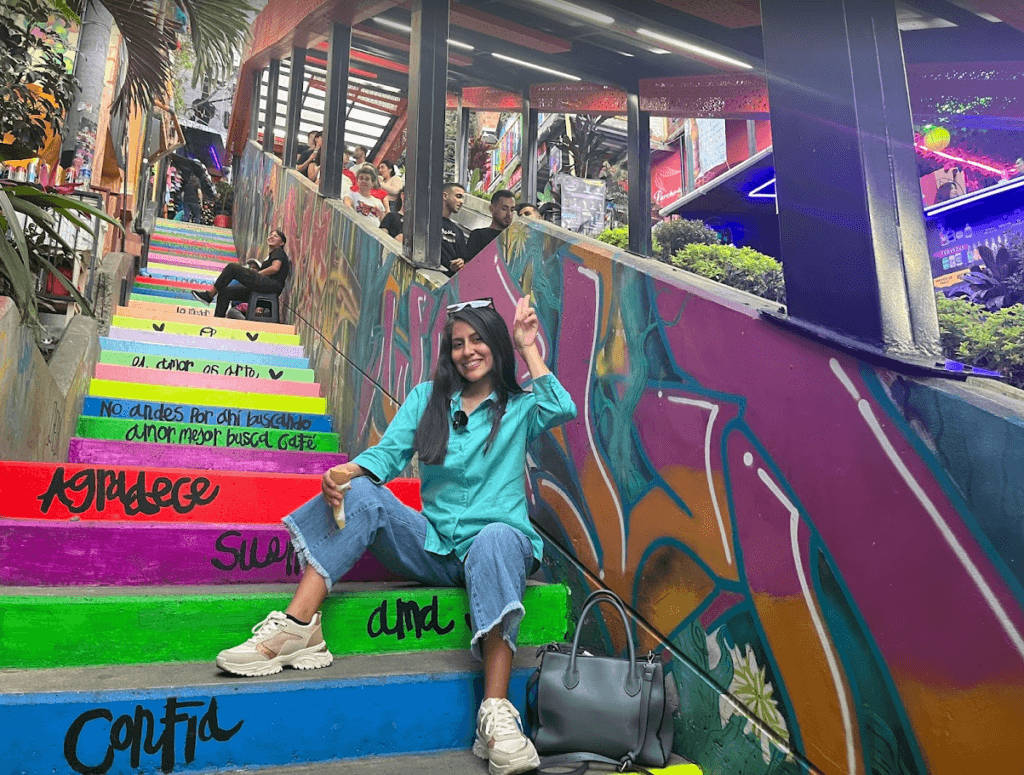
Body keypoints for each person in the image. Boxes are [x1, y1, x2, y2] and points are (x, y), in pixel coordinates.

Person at [215, 295, 576, 775]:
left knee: (494, 536)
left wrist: (528, 347)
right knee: (362, 493)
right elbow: (386, 456)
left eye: (477, 341)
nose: (467, 351)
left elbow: (562, 406)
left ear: (495, 342)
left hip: (497, 547)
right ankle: (298, 628)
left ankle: (496, 715)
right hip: (435, 547)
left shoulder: (518, 407)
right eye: (457, 344)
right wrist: (348, 470)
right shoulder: (427, 399)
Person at [191, 228, 291, 317]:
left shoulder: (278, 251)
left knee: (232, 267)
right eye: (270, 235)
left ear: (281, 243)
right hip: (265, 288)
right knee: (225, 291)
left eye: (276, 236)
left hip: (271, 285)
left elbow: (275, 268)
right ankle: (218, 320)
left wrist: (258, 274)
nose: (271, 237)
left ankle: (209, 295)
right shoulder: (270, 255)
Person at [466, 189, 516, 261]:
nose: (509, 214)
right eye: (504, 209)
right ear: (491, 209)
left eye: (512, 210)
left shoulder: (516, 240)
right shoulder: (478, 236)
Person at [441, 182, 469, 275]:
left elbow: (464, 259)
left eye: (462, 198)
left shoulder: (458, 231)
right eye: (458, 196)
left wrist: (460, 263)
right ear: (445, 196)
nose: (461, 202)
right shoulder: (427, 222)